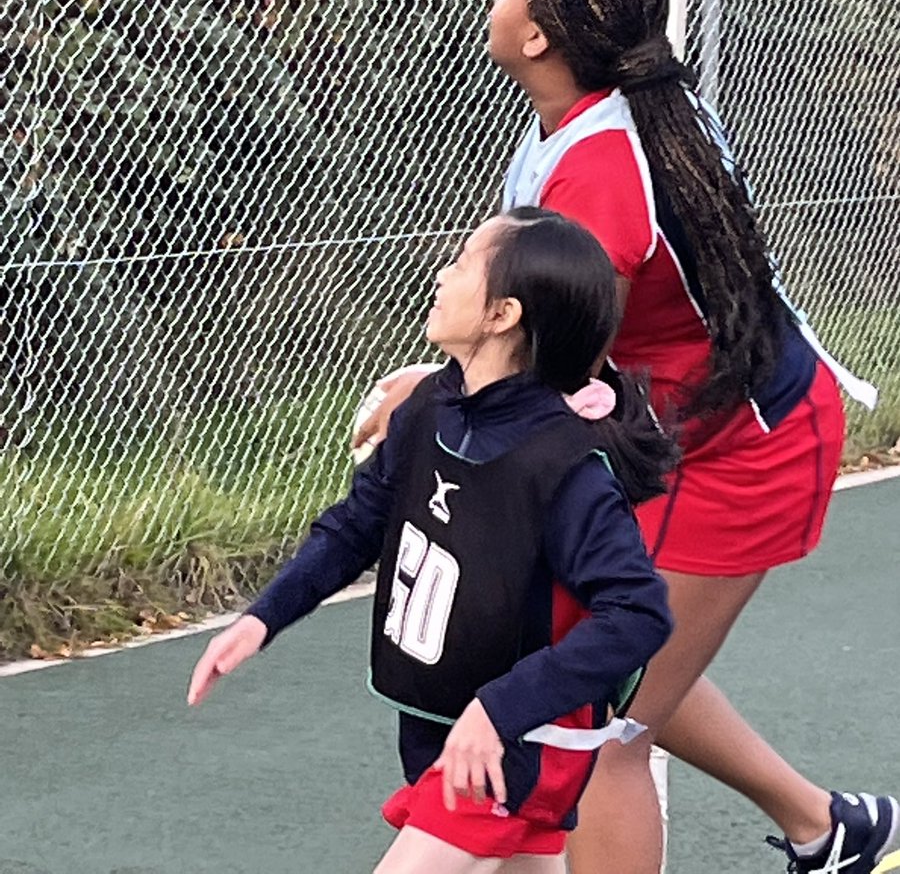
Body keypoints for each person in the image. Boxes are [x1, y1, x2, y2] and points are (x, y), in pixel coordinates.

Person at [357, 0, 898, 874]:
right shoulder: (598, 115)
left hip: (742, 453)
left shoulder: (605, 169)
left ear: (540, 38)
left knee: (602, 733)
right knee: (605, 664)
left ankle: (829, 830)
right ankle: (830, 829)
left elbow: (544, 349)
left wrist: (431, 394)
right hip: (672, 429)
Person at [187, 207, 677, 872]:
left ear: (503, 314)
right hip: (449, 731)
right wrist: (264, 618)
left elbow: (638, 613)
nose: (442, 276)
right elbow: (358, 524)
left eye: (462, 263)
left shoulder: (563, 469)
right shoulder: (430, 411)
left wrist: (500, 709)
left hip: (522, 742)